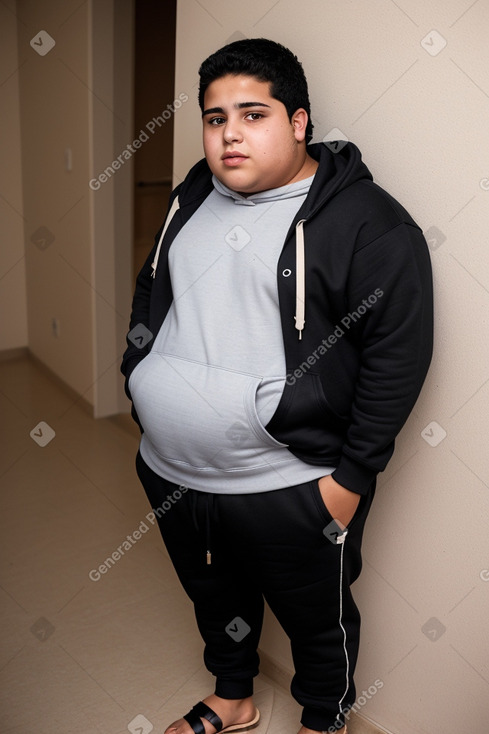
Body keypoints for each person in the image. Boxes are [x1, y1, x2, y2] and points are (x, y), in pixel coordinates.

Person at [121, 38, 433, 734]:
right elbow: (152, 287)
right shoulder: (193, 194)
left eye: (252, 114)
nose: (228, 133)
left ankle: (323, 719)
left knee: (316, 622)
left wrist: (349, 478)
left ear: (298, 122)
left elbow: (396, 356)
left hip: (289, 482)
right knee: (212, 594)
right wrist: (140, 377)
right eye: (213, 117)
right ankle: (233, 698)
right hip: (173, 471)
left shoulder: (367, 223)